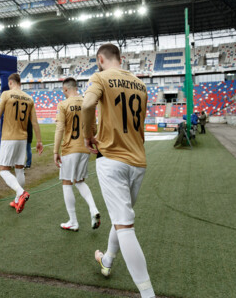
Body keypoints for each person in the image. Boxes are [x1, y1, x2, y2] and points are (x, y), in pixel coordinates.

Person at [82, 44, 155, 298]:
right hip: (138, 160)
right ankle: (108, 261)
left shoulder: (100, 76)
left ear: (100, 59)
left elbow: (87, 104)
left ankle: (148, 295)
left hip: (112, 158)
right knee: (120, 216)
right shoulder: (140, 84)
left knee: (125, 226)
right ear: (121, 59)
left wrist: (88, 135)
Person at [0, 73, 43, 214]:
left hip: (9, 137)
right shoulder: (29, 98)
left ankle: (21, 192)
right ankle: (17, 200)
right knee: (19, 169)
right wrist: (39, 140)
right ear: (20, 83)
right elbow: (34, 122)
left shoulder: (6, 94)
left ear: (11, 83)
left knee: (4, 170)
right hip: (23, 138)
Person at [54, 77, 100, 232]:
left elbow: (60, 129)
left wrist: (55, 151)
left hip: (69, 149)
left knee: (67, 183)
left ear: (66, 89)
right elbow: (93, 127)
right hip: (84, 148)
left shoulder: (63, 104)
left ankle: (73, 222)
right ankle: (93, 209)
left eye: (63, 90)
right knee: (79, 181)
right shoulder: (87, 102)